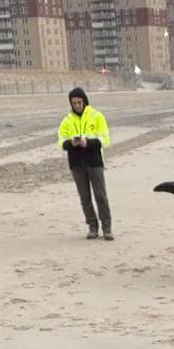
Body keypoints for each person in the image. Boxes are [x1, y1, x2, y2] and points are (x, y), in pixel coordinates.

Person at [57, 87, 112, 241]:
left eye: (79, 102)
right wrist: (72, 143)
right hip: (76, 163)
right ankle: (92, 226)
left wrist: (87, 142)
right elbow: (61, 141)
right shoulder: (67, 121)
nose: (77, 105)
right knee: (85, 197)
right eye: (74, 103)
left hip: (94, 161)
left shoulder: (97, 116)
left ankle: (107, 227)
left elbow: (105, 139)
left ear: (85, 101)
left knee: (101, 196)